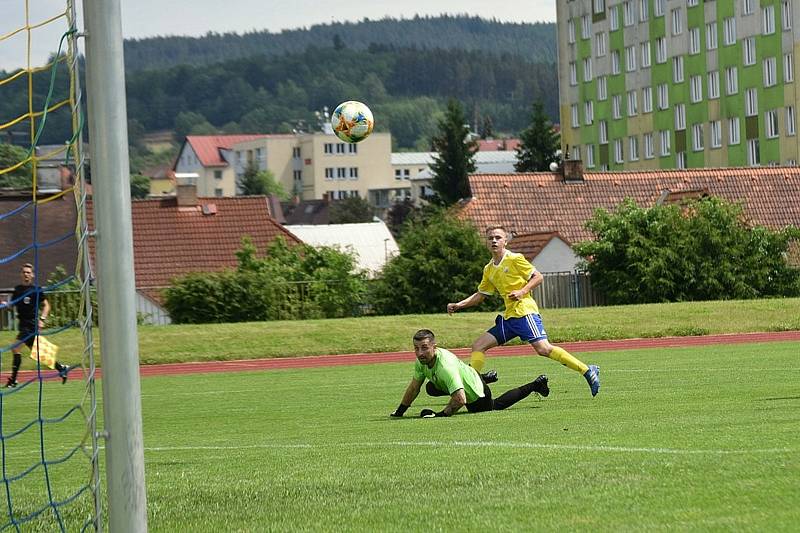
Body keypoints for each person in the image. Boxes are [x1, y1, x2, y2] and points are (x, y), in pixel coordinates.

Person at [446, 225, 600, 396]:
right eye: (490, 238)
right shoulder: (489, 269)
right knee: (478, 346)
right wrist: (459, 305)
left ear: (505, 241)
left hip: (525, 313)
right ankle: (472, 387)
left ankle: (587, 370)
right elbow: (481, 294)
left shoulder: (514, 259)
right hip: (509, 318)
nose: (494, 241)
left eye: (498, 237)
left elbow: (538, 277)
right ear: (486, 243)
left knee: (543, 349)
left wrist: (522, 291)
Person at [390, 329, 549, 418]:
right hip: (469, 374)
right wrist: (400, 411)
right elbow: (413, 388)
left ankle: (535, 385)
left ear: (434, 347)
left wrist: (441, 415)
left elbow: (460, 399)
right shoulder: (421, 361)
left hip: (477, 392)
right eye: (416, 348)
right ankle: (485, 377)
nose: (420, 353)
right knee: (430, 388)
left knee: (495, 406)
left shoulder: (445, 367)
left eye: (424, 348)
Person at [3, 263, 70, 387]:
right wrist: (5, 305)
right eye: (24, 272)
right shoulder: (17, 290)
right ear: (21, 274)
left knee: (15, 348)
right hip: (22, 326)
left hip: (31, 326)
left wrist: (42, 319)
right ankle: (61, 368)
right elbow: (11, 307)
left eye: (28, 272)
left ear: (32, 275)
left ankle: (13, 380)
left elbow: (47, 305)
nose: (26, 274)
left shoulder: (36, 290)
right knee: (40, 353)